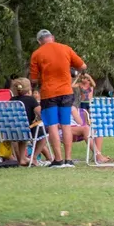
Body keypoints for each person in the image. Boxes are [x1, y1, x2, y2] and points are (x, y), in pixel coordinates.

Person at [29, 29, 87, 168]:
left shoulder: (37, 54)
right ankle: (68, 159)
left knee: (53, 125)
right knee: (66, 124)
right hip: (66, 91)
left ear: (39, 41)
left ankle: (58, 160)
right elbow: (83, 65)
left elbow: (34, 79)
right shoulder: (66, 49)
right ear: (52, 38)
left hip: (49, 93)